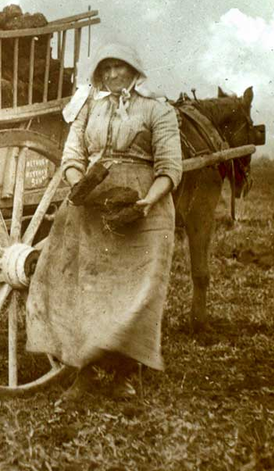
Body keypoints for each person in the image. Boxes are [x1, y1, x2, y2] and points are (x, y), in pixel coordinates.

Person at [26, 43, 182, 400]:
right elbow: (72, 154)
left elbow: (170, 167)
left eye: (119, 67)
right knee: (86, 287)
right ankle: (87, 371)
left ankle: (126, 373)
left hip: (143, 210)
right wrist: (80, 186)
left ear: (134, 70)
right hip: (91, 207)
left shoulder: (157, 110)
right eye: (106, 69)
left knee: (137, 293)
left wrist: (147, 201)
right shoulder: (88, 109)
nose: (112, 75)